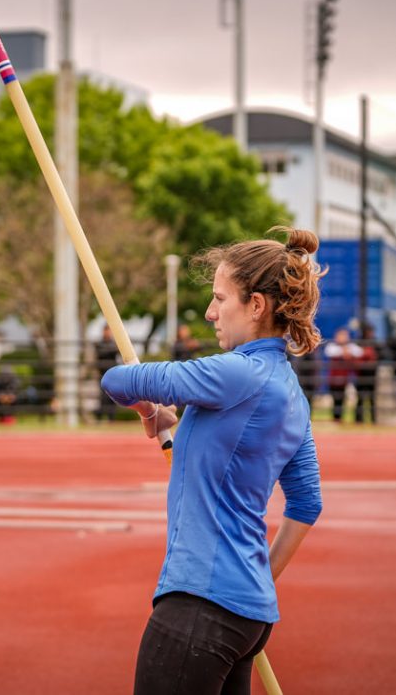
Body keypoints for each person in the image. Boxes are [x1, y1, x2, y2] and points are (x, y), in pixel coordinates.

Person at [100, 228, 324, 695]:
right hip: (248, 615)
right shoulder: (291, 394)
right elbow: (306, 504)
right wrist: (258, 577)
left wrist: (146, 405)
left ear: (257, 305)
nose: (209, 312)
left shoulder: (236, 372)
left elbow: (118, 380)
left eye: (220, 298)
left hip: (199, 608)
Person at [323, 327, 362, 423]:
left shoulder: (350, 346)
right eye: (340, 336)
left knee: (344, 400)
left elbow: (359, 352)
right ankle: (336, 419)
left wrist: (346, 350)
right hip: (334, 379)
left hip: (345, 379)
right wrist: (344, 351)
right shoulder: (332, 346)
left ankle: (342, 419)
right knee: (335, 400)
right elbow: (330, 352)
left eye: (344, 336)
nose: (342, 338)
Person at [94, 325, 120, 422]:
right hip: (102, 373)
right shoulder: (100, 343)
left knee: (113, 396)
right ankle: (100, 417)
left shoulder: (113, 343)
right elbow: (101, 353)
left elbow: (116, 352)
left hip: (113, 374)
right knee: (103, 396)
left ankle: (111, 418)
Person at [355, 324, 380, 424]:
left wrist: (373, 357)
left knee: (372, 398)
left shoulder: (375, 343)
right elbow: (356, 356)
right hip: (361, 374)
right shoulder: (359, 342)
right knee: (360, 398)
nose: (370, 333)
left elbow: (380, 356)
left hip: (372, 374)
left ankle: (373, 420)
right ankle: (359, 420)